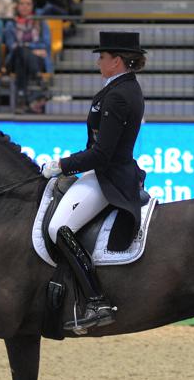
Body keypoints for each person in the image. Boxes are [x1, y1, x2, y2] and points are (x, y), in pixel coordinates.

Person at [40, 30, 147, 333]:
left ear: (117, 61)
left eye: (102, 57)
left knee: (58, 227)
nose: (98, 62)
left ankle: (97, 300)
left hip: (109, 176)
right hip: (105, 170)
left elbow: (101, 153)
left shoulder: (119, 95)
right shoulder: (121, 88)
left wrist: (61, 165)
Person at [3, 0, 51, 112]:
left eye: (28, 4)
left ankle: (21, 99)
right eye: (22, 4)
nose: (25, 7)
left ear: (32, 6)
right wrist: (33, 49)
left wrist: (26, 47)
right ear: (17, 6)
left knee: (21, 57)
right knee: (20, 52)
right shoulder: (10, 24)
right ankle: (38, 77)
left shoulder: (40, 22)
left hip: (35, 60)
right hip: (14, 60)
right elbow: (11, 46)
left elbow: (46, 44)